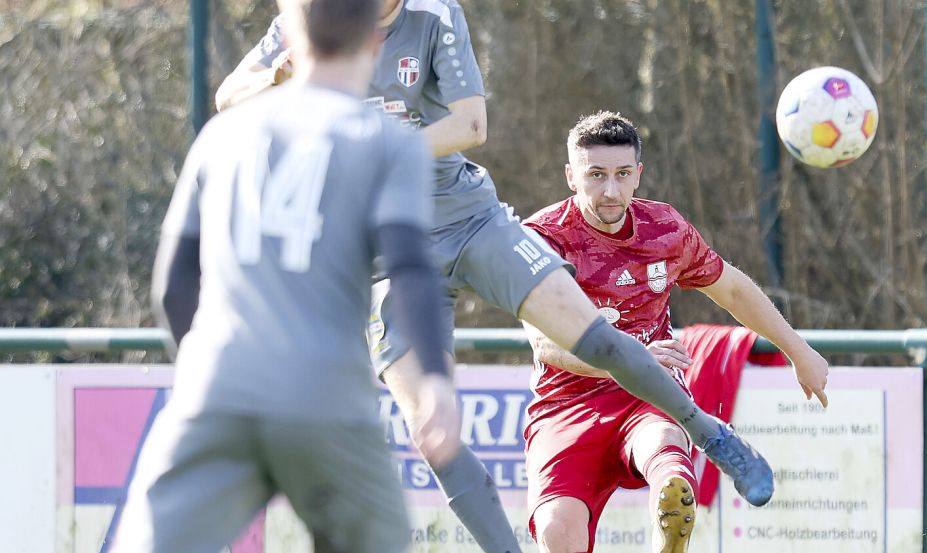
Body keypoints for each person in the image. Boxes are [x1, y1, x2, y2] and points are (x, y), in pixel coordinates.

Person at [217, 3, 806, 552]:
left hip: (471, 221)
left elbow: (471, 123)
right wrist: (274, 78)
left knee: (596, 337)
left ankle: (709, 434)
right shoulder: (311, 18)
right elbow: (228, 98)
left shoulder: (433, 12)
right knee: (434, 434)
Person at [110, 0, 460, 551]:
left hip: (218, 388)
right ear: (375, 43)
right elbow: (411, 266)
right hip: (326, 397)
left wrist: (211, 370)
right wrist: (436, 378)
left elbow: (173, 286)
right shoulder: (387, 142)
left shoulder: (223, 136)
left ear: (289, 47)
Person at [520, 111, 831, 553]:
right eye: (596, 175)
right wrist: (628, 361)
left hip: (649, 392)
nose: (610, 190)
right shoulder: (543, 237)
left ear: (638, 175)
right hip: (567, 403)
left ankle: (671, 528)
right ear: (572, 176)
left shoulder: (664, 229)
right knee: (557, 533)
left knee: (667, 462)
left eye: (622, 174)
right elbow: (545, 343)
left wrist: (798, 350)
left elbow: (734, 290)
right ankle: (708, 440)